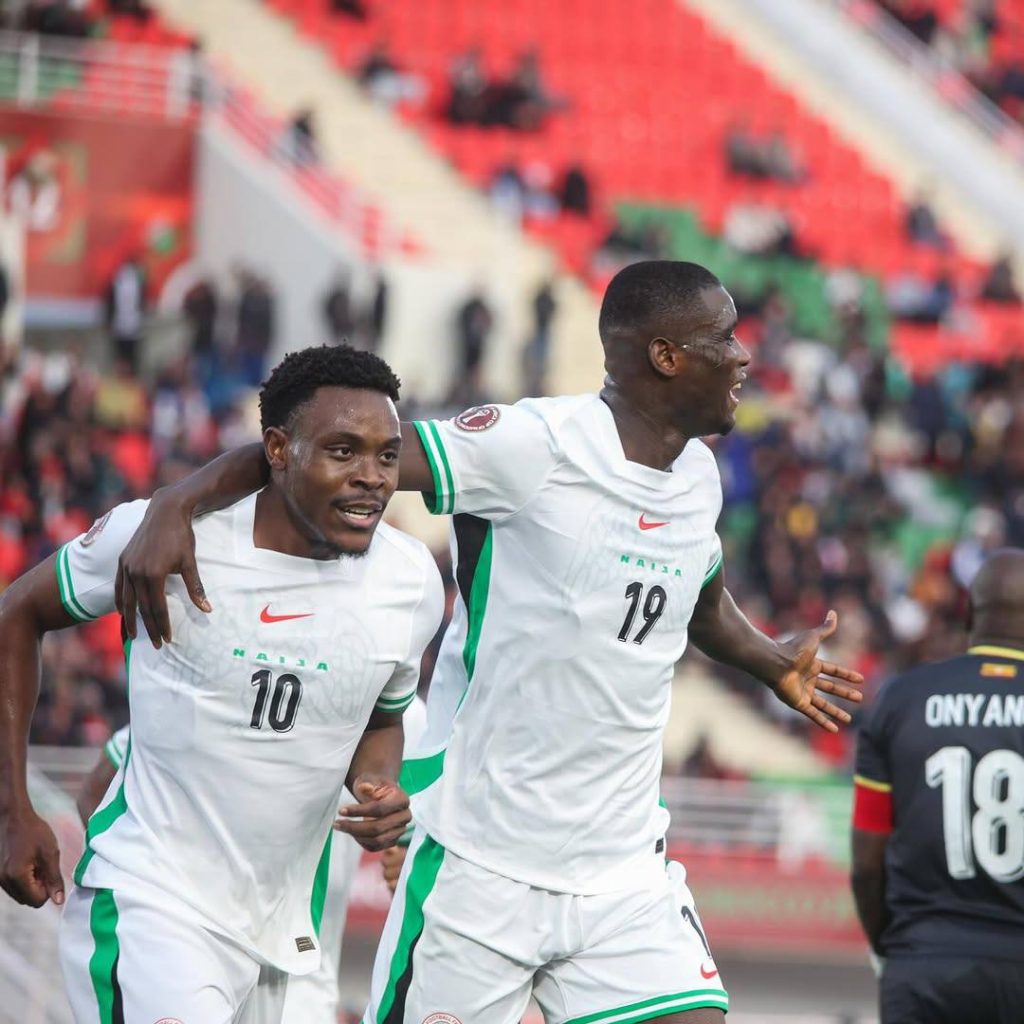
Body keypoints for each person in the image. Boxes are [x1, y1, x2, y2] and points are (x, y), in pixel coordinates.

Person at [112, 261, 864, 1024]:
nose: (743, 356)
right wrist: (179, 501)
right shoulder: (533, 445)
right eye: (725, 338)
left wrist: (769, 660)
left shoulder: (698, 477)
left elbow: (696, 601)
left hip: (623, 871)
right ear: (666, 356)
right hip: (482, 865)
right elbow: (338, 454)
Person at [0, 345, 443, 1022]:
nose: (372, 478)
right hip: (155, 904)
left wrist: (377, 786)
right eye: (343, 451)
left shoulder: (409, 582)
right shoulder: (165, 540)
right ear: (277, 447)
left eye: (387, 455)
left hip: (286, 942)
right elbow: (16, 614)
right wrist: (12, 808)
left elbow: (383, 719)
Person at [76, 694, 431, 1022]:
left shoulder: (404, 714)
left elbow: (412, 843)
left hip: (301, 979)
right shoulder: (225, 670)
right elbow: (97, 787)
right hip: (189, 947)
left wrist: (405, 857)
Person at [851, 548, 1024, 1024]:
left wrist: (893, 949)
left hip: (925, 963)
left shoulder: (902, 699)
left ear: (969, 611)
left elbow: (867, 864)